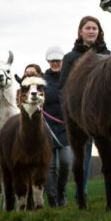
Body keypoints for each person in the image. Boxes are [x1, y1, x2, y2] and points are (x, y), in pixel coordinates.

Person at [59, 16, 111, 200]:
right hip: (80, 117)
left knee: (108, 156)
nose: (91, 31)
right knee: (83, 157)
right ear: (80, 32)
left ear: (99, 32)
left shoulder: (109, 56)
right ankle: (81, 193)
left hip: (104, 116)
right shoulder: (70, 58)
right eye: (87, 28)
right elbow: (63, 87)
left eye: (94, 28)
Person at [43, 45, 72, 207]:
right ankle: (52, 198)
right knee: (50, 166)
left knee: (67, 162)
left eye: (58, 61)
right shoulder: (42, 80)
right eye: (52, 61)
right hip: (47, 128)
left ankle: (61, 191)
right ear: (48, 61)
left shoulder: (69, 78)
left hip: (65, 128)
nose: (55, 64)